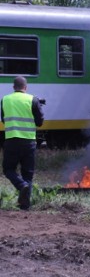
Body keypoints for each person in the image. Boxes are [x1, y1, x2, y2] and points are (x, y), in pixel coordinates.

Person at [1, 76, 44, 210]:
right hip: (29, 141)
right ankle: (25, 205)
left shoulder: (5, 100)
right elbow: (39, 122)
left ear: (13, 87)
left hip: (11, 140)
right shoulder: (33, 100)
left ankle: (21, 186)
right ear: (26, 87)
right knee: (28, 174)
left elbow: (4, 120)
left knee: (8, 169)